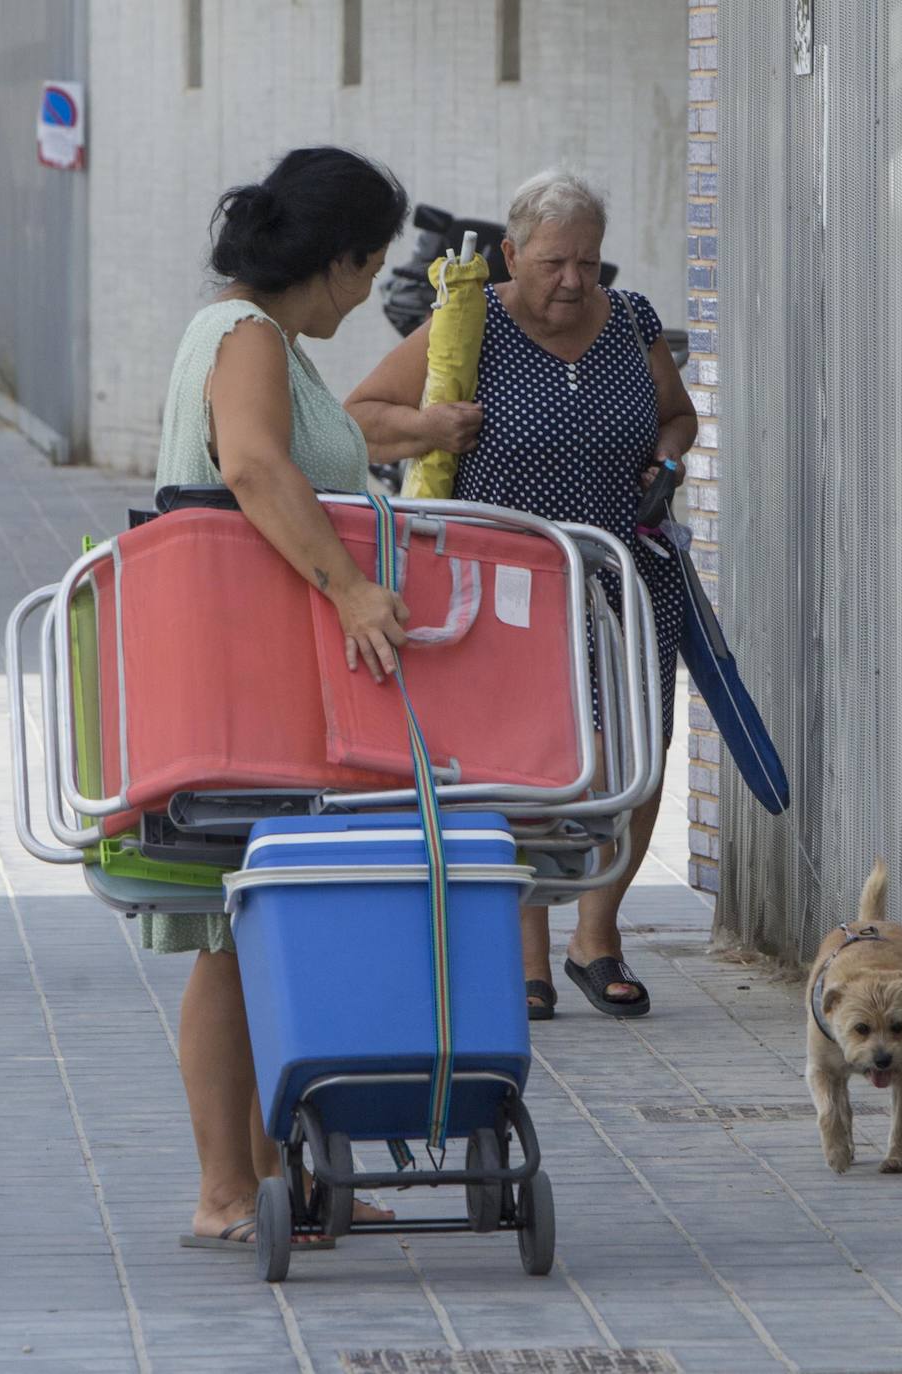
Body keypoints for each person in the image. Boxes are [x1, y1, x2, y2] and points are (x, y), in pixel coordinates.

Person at [346, 169, 698, 1021]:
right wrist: (431, 428)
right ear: (511, 254)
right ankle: (527, 957)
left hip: (623, 572)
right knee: (532, 763)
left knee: (636, 755)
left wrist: (669, 462)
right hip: (512, 584)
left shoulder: (634, 320)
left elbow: (676, 416)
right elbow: (359, 411)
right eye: (552, 263)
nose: (573, 281)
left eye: (587, 262)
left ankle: (598, 936)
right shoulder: (469, 324)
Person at [148, 146, 410, 1249]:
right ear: (339, 260)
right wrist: (352, 588)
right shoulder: (248, 336)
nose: (370, 291)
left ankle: (269, 1175)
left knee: (256, 920)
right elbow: (253, 467)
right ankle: (224, 1192)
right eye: (371, 267)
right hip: (238, 673)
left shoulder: (264, 336)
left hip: (265, 672)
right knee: (226, 925)